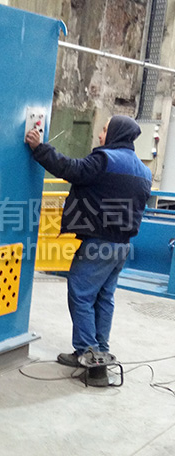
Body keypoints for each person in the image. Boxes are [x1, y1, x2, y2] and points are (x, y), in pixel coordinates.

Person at [26, 115, 152, 367]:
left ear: (116, 133)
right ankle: (101, 351)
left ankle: (86, 351)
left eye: (105, 130)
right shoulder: (145, 171)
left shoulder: (105, 160)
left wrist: (39, 148)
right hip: (122, 246)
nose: (100, 135)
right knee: (104, 297)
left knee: (81, 294)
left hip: (99, 244)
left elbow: (70, 169)